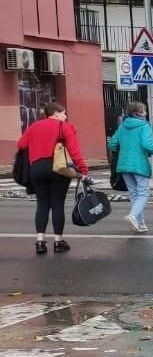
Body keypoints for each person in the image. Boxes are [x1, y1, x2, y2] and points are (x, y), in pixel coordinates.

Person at [16, 99, 92, 254]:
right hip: (58, 168)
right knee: (57, 205)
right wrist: (83, 170)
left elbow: (21, 144)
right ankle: (58, 242)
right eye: (64, 113)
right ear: (56, 113)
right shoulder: (64, 127)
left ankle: (40, 242)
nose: (65, 116)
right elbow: (74, 149)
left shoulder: (34, 126)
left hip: (36, 168)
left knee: (42, 205)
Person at [105, 100, 153, 233]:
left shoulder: (123, 126)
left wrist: (124, 149)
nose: (146, 113)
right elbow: (147, 145)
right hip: (139, 164)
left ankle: (141, 224)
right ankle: (133, 216)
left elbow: (112, 144)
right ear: (139, 113)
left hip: (124, 165)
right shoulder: (144, 126)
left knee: (134, 194)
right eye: (144, 110)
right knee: (144, 193)